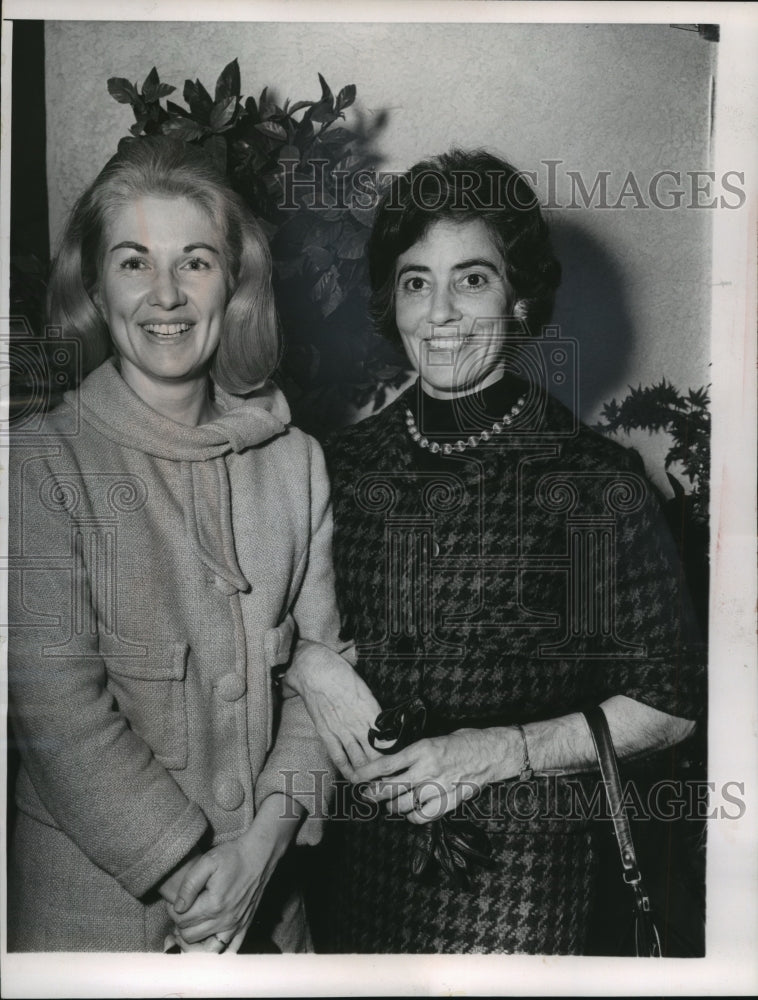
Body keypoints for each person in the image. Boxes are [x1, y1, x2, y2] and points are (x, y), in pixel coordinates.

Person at [289, 148, 706, 953]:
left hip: (521, 898)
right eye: (417, 282)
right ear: (392, 302)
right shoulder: (338, 467)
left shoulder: (584, 483)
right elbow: (248, 620)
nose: (440, 313)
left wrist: (502, 751)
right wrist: (308, 664)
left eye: (472, 279)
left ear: (519, 298)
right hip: (355, 886)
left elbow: (668, 702)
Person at [6, 135, 377, 952]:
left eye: (196, 263)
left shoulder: (296, 460)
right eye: (134, 263)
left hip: (267, 909)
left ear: (235, 286)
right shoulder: (40, 462)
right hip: (96, 925)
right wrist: (192, 878)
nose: (166, 295)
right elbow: (57, 714)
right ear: (95, 286)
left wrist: (258, 855)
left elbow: (315, 687)